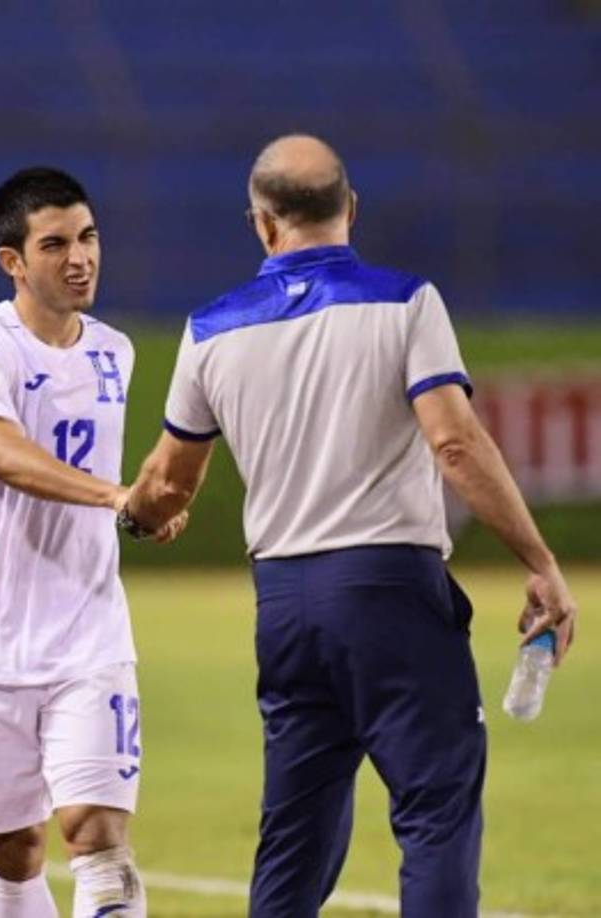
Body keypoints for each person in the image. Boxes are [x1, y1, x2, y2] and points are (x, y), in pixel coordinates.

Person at [120, 134, 578, 918]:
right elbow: (455, 443)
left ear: (262, 224)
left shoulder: (209, 329)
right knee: (435, 813)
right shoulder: (406, 302)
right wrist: (539, 560)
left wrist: (136, 517)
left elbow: (167, 483)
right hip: (390, 588)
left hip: (286, 606)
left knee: (295, 835)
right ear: (350, 210)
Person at [0, 167, 184, 918]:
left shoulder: (116, 352)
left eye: (89, 236)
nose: (81, 257)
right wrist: (116, 497)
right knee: (13, 851)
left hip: (87, 636)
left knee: (97, 839)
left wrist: (140, 512)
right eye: (55, 243)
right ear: (13, 261)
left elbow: (112, 487)